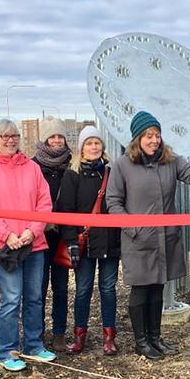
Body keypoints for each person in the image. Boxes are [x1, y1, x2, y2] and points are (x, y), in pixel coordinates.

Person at [106, 111, 190, 359]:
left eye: (157, 135)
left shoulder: (170, 160)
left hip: (164, 238)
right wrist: (132, 228)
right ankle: (141, 342)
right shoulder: (122, 165)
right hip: (138, 240)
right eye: (148, 135)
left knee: (158, 287)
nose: (154, 140)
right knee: (141, 290)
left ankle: (155, 337)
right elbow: (113, 202)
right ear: (138, 138)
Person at [0, 119, 55, 372]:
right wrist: (7, 235)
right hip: (2, 247)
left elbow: (44, 203)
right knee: (11, 298)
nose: (10, 140)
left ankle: (33, 345)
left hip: (34, 244)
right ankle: (6, 350)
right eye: (4, 136)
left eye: (14, 135)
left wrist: (32, 230)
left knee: (34, 297)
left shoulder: (32, 168)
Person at [56, 125, 121, 355]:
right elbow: (66, 210)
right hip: (83, 243)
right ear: (82, 147)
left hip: (109, 242)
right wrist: (71, 240)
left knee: (108, 289)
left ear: (102, 146)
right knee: (83, 290)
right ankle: (79, 336)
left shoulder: (111, 173)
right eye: (89, 143)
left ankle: (108, 337)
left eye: (97, 142)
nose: (93, 146)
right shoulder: (72, 175)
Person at [32, 116, 72, 352]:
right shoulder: (33, 165)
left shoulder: (71, 164)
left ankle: (59, 332)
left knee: (61, 286)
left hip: (63, 236)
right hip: (40, 235)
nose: (57, 140)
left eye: (60, 136)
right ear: (44, 139)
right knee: (38, 287)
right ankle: (36, 332)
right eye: (52, 136)